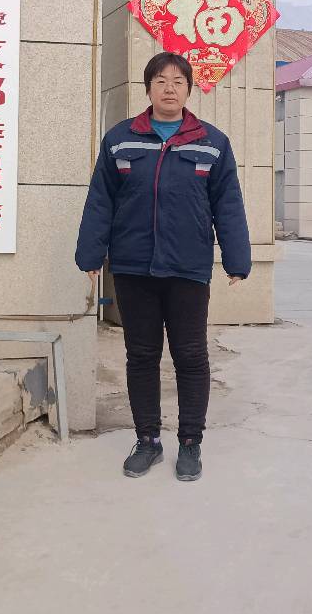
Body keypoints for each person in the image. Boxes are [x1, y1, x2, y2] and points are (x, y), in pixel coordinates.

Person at [76, 52, 251, 482]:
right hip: (133, 267)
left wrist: (237, 259)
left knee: (190, 356)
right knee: (141, 356)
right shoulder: (121, 140)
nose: (169, 88)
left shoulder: (212, 142)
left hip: (188, 268)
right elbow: (101, 200)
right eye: (160, 80)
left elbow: (228, 204)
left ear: (189, 89)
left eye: (177, 81)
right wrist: (91, 255)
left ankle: (190, 443)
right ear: (148, 88)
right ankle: (148, 440)